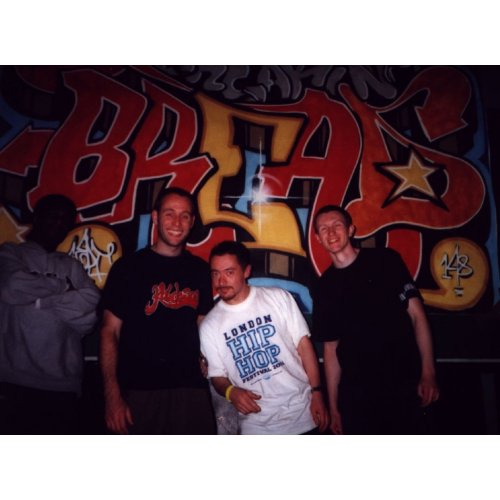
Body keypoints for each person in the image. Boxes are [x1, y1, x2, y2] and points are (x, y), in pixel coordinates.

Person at [312, 204, 440, 434]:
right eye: (323, 229)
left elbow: (417, 316)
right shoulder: (323, 287)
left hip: (404, 383)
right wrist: (334, 407)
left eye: (337, 225)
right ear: (318, 238)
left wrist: (428, 373)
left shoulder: (385, 260)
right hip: (357, 395)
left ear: (350, 229)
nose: (331, 233)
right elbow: (331, 350)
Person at [99, 187, 216, 434]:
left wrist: (209, 359)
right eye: (169, 214)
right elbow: (109, 332)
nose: (177, 223)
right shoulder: (127, 268)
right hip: (139, 391)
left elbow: (204, 324)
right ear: (155, 217)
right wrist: (111, 396)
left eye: (185, 215)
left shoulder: (199, 270)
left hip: (191, 390)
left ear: (192, 221)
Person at [199, 240, 329, 435]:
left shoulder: (278, 297)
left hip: (303, 413)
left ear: (246, 271)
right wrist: (230, 392)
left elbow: (304, 346)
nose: (221, 281)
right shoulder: (209, 325)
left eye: (229, 272)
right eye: (215, 274)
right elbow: (217, 376)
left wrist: (317, 392)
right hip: (256, 426)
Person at [0, 194, 100, 434]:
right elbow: (12, 286)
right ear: (37, 217)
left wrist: (38, 301)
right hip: (12, 381)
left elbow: (89, 314)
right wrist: (64, 287)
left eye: (65, 220)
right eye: (53, 216)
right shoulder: (9, 254)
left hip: (62, 385)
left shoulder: (72, 266)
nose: (59, 224)